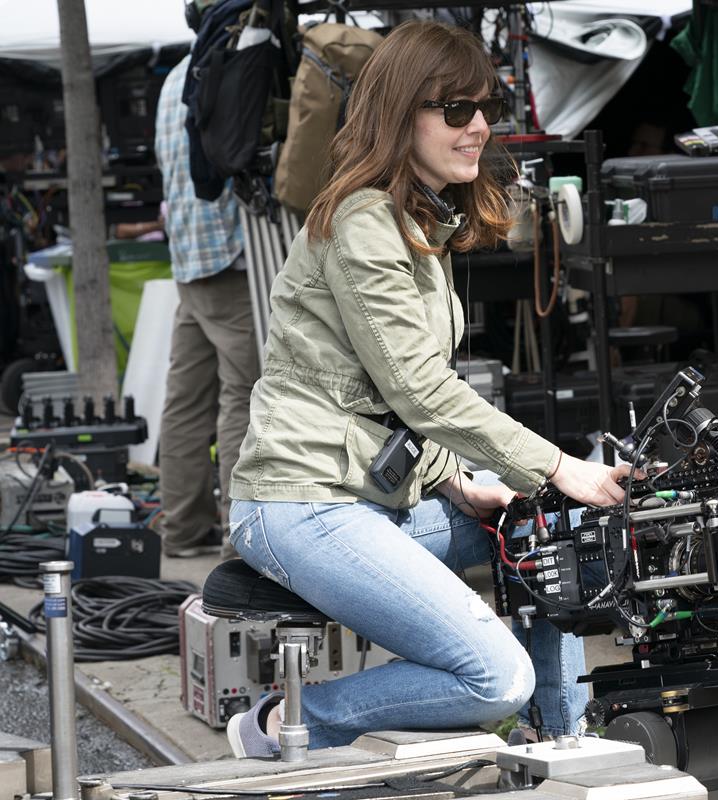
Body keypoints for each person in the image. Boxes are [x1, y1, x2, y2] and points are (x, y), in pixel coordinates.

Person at [223, 20, 633, 755]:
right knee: (492, 679)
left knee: (545, 530)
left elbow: (385, 399)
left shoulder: (415, 221)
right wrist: (558, 466)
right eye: (454, 111)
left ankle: (561, 747)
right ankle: (281, 725)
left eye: (487, 111)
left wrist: (457, 482)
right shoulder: (364, 222)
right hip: (305, 499)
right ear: (398, 113)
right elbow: (416, 390)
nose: (478, 127)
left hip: (366, 495)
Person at [154, 1, 259, 560]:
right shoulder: (228, 68)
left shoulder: (174, 77)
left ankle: (183, 528)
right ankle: (238, 535)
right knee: (242, 394)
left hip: (189, 260)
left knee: (186, 400)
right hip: (228, 260)